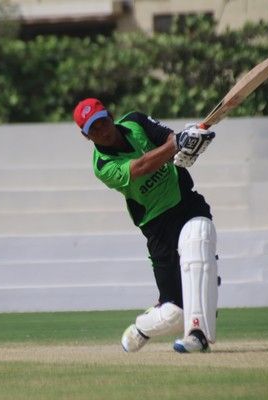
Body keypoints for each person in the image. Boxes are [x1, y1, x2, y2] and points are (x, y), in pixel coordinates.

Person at [72, 98, 219, 353]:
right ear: (86, 136)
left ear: (110, 116)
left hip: (185, 201)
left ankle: (198, 335)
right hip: (157, 224)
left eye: (102, 122)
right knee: (174, 312)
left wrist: (188, 145)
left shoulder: (135, 121)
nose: (102, 131)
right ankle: (142, 327)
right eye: (93, 129)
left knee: (200, 241)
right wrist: (177, 143)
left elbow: (168, 138)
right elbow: (141, 166)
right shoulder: (102, 165)